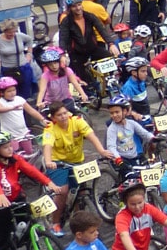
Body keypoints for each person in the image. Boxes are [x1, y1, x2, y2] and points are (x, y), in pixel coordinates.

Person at [40, 100, 118, 233]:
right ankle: (55, 223)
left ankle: (79, 222)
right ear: (53, 118)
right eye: (59, 115)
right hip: (58, 164)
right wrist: (48, 161)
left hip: (76, 161)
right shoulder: (49, 129)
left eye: (65, 113)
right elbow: (47, 146)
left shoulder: (77, 121)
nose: (63, 116)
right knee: (62, 191)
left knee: (80, 191)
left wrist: (101, 151)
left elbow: (91, 136)